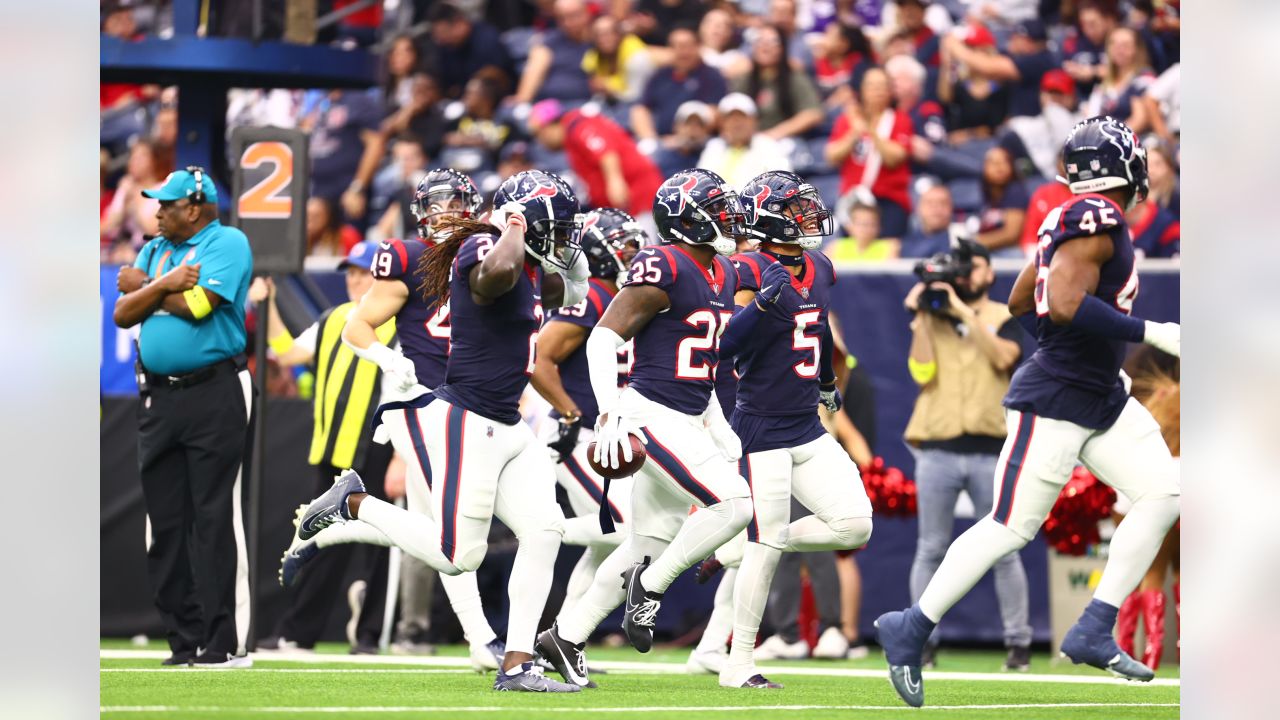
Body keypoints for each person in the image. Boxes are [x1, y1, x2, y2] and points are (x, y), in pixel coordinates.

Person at [875, 116, 1182, 707]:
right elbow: (1062, 304)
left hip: (1099, 392)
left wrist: (1079, 357)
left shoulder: (1070, 219)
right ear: (1126, 167)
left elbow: (1021, 300)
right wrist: (1153, 332)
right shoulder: (1101, 220)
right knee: (1010, 527)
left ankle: (1095, 624)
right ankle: (910, 626)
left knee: (1165, 492)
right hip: (1059, 397)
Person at [290, 170, 589, 692]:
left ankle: (517, 662)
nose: (562, 235)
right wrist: (513, 230)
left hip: (508, 423)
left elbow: (566, 300)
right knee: (460, 556)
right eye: (554, 225)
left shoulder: (528, 259)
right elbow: (493, 277)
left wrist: (575, 273)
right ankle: (355, 503)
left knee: (545, 532)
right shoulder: (485, 246)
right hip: (466, 420)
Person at [536, 169, 754, 688]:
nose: (729, 217)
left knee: (643, 544)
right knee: (736, 504)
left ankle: (565, 636)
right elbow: (601, 341)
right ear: (688, 220)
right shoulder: (665, 262)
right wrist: (609, 413)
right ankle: (651, 588)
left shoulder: (720, 271)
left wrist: (715, 421)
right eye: (717, 209)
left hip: (687, 413)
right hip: (650, 415)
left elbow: (699, 368)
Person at [703, 170, 875, 688]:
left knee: (855, 523)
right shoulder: (745, 267)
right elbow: (722, 347)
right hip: (759, 425)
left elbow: (818, 326)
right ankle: (739, 664)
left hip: (806, 422)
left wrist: (826, 382)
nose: (808, 217)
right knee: (767, 543)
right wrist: (760, 303)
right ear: (772, 216)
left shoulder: (819, 266)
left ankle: (747, 543)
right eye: (797, 209)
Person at [113, 167, 254, 668]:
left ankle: (222, 642)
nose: (157, 212)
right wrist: (161, 284)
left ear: (193, 208)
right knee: (166, 522)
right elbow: (123, 312)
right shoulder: (158, 250)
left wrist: (149, 288)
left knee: (214, 517)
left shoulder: (229, 242)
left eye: (166, 204)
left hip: (213, 391)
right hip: (158, 396)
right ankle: (182, 639)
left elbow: (198, 305)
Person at [252, 242, 394, 655]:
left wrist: (402, 456)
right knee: (319, 542)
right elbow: (288, 352)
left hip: (377, 451)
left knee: (382, 545)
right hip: (333, 453)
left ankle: (370, 636)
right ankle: (301, 632)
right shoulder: (333, 318)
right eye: (350, 273)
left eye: (364, 273)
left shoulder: (397, 322)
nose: (355, 280)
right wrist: (270, 305)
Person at [901, 238, 1032, 671]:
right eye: (958, 268)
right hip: (937, 449)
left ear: (989, 272)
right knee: (930, 548)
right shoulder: (932, 315)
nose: (963, 275)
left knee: (1004, 549)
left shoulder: (1003, 316)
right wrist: (923, 316)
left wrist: (963, 312)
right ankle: (922, 642)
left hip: (989, 450)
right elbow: (920, 373)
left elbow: (1003, 360)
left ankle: (1018, 643)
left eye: (971, 267)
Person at [530, 208, 646, 640]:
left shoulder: (624, 294)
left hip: (604, 434)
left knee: (602, 548)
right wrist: (572, 412)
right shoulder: (594, 295)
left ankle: (561, 636)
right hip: (579, 435)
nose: (635, 253)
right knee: (623, 530)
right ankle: (540, 530)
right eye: (626, 245)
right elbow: (539, 358)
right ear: (600, 250)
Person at [528, 99, 664, 221]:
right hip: (630, 205)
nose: (540, 141)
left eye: (539, 133)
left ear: (551, 125)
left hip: (639, 198)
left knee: (646, 245)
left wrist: (615, 180)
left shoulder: (578, 125)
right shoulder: (572, 132)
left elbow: (605, 150)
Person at [826, 68, 913, 237]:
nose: (877, 91)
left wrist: (871, 131)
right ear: (862, 90)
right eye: (872, 86)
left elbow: (894, 158)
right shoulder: (848, 120)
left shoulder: (900, 119)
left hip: (888, 200)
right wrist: (854, 133)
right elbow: (831, 155)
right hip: (854, 200)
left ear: (890, 91)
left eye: (882, 86)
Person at [631, 26, 728, 148]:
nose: (683, 52)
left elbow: (714, 113)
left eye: (688, 46)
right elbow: (641, 109)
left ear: (698, 47)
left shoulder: (711, 76)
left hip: (696, 144)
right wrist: (651, 140)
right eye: (678, 46)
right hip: (660, 141)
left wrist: (681, 139)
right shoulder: (660, 75)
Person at [939, 18, 1059, 118]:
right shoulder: (1014, 56)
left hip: (1034, 125)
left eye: (1020, 38)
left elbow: (988, 67)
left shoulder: (1042, 59)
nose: (1013, 39)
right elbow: (945, 97)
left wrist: (954, 46)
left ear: (1032, 43)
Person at [730, 24, 824, 139]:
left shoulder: (794, 78)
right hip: (748, 142)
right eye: (760, 40)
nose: (765, 46)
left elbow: (813, 113)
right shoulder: (745, 79)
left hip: (785, 142)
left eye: (772, 42)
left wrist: (774, 134)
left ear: (782, 48)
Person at [696, 93, 790, 189]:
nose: (736, 122)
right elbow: (701, 184)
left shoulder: (768, 146)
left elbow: (783, 185)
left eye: (742, 116)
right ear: (722, 123)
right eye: (730, 117)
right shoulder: (714, 146)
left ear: (754, 120)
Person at [938, 22, 1011, 144]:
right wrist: (946, 64)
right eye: (967, 49)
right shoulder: (961, 85)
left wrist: (969, 134)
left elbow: (998, 127)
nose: (965, 55)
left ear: (988, 52)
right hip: (959, 147)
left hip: (989, 145)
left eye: (973, 50)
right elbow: (945, 98)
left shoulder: (1002, 86)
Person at [426, 3, 514, 99]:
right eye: (437, 36)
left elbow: (499, 78)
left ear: (459, 24)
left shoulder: (487, 38)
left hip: (496, 99)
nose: (440, 40)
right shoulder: (446, 47)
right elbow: (445, 83)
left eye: (444, 33)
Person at [514, 0, 594, 104]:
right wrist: (521, 101)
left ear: (587, 14)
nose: (567, 23)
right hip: (548, 105)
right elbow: (531, 79)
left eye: (573, 16)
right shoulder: (548, 43)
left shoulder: (599, 41)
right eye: (561, 18)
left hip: (587, 105)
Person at [1081, 27, 1155, 135]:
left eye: (1125, 45)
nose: (1119, 49)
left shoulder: (1144, 77)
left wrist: (1113, 137)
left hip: (1135, 141)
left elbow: (1140, 119)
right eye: (1114, 44)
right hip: (1104, 140)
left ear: (1136, 49)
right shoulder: (1105, 83)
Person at [582, 13, 654, 104]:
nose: (603, 40)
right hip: (608, 103)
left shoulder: (637, 58)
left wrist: (610, 92)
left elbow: (637, 97)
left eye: (608, 34)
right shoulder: (594, 55)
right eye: (598, 35)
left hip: (636, 106)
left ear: (619, 34)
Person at [975, 146, 1030, 255]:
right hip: (996, 250)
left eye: (1004, 161)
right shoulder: (987, 193)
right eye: (993, 163)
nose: (999, 167)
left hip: (1015, 250)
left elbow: (1011, 234)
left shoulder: (1015, 190)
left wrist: (977, 242)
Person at [653, 100, 714, 178]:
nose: (693, 130)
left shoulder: (710, 156)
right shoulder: (659, 157)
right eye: (688, 123)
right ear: (676, 126)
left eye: (699, 125)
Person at [825, 199, 900, 262]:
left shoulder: (890, 247)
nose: (867, 229)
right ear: (850, 226)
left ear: (879, 227)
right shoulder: (835, 247)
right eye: (862, 224)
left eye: (872, 224)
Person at [899, 184, 954, 258]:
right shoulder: (905, 244)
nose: (937, 209)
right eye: (930, 203)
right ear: (918, 208)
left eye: (943, 203)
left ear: (951, 208)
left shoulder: (961, 238)